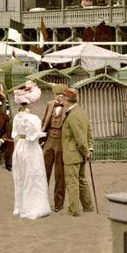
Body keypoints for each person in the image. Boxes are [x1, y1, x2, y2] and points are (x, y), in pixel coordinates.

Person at [11, 80, 51, 220]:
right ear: (30, 103)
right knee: (33, 176)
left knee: (21, 176)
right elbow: (34, 135)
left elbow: (15, 134)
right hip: (31, 148)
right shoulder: (33, 118)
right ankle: (34, 208)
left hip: (20, 147)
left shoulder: (17, 117)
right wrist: (44, 135)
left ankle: (21, 207)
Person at [61, 87, 94, 217]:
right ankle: (88, 206)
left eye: (63, 97)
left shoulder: (73, 116)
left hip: (72, 154)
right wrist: (89, 149)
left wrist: (86, 151)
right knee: (81, 180)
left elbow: (80, 138)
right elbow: (89, 131)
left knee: (72, 182)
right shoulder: (81, 112)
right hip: (80, 154)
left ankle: (73, 210)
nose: (62, 100)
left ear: (67, 99)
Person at [40, 83, 67, 212]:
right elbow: (44, 120)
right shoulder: (50, 104)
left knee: (60, 174)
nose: (59, 97)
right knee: (43, 172)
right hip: (49, 139)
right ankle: (42, 201)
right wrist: (42, 139)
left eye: (61, 95)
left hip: (62, 141)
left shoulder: (69, 107)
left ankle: (58, 204)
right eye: (57, 94)